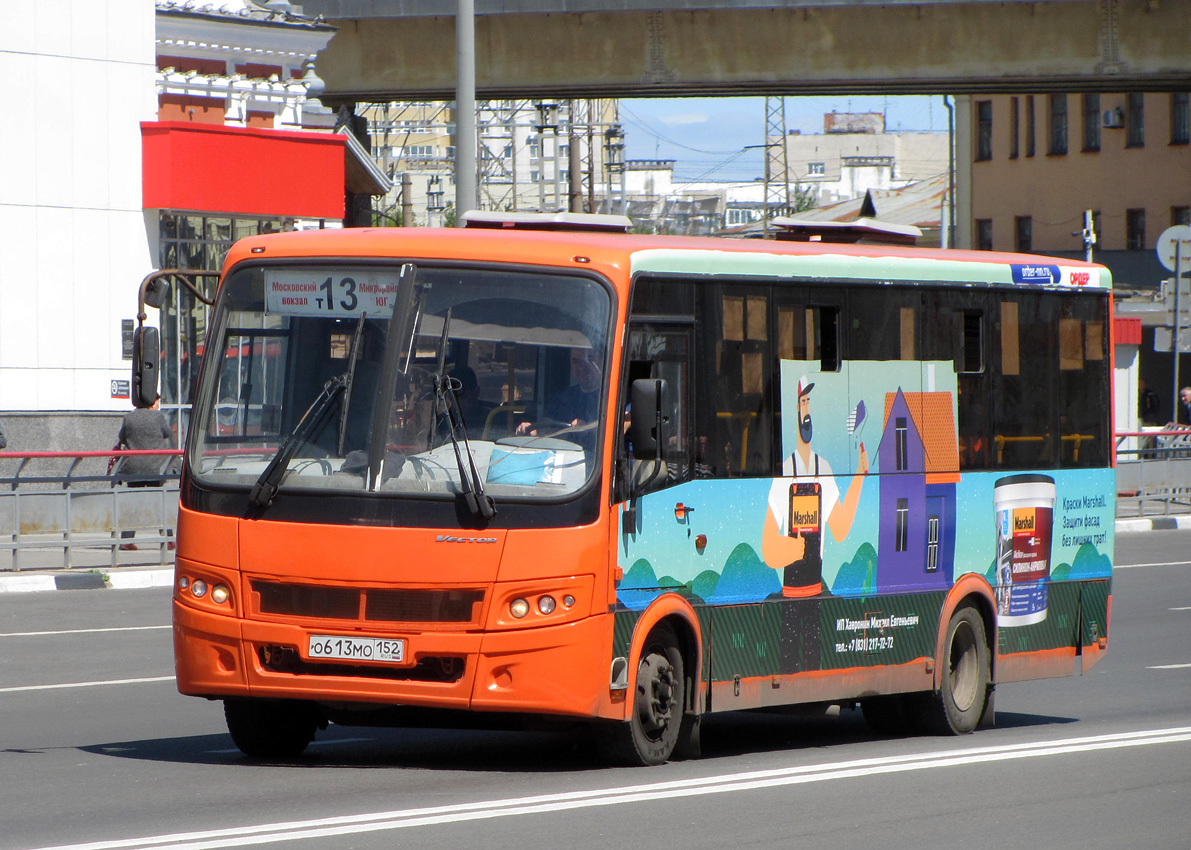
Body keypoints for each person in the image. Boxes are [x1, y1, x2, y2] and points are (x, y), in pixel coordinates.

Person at [761, 375, 869, 673]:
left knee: (813, 663)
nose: (807, 410)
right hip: (790, 596)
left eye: (810, 403)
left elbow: (840, 528)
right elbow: (769, 548)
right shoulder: (784, 472)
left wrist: (860, 477)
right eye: (803, 403)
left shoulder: (825, 469)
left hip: (815, 593)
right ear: (794, 412)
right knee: (788, 664)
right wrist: (792, 548)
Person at [116, 397, 173, 551]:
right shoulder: (158, 416)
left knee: (134, 503)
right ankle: (168, 540)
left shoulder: (129, 417)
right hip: (155, 467)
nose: (158, 405)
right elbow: (167, 433)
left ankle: (126, 540)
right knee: (159, 503)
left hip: (134, 467)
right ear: (152, 402)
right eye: (158, 401)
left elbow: (122, 438)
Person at [517, 347, 601, 436]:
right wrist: (532, 429)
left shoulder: (612, 397)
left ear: (602, 361)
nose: (581, 367)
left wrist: (587, 428)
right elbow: (546, 425)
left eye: (589, 359)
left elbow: (613, 433)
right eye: (576, 361)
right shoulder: (563, 397)